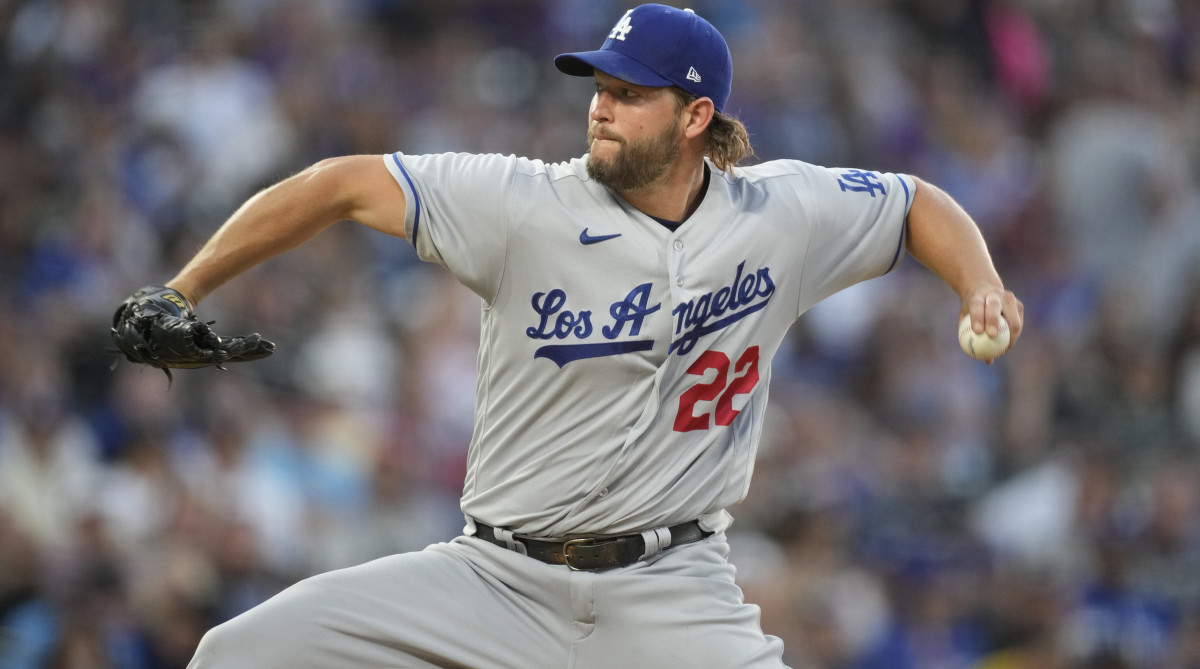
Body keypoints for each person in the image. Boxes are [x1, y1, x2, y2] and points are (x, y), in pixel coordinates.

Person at [119, 4, 1023, 667]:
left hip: (672, 589)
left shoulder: (779, 215)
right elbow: (338, 183)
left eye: (630, 95)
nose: (600, 107)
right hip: (493, 580)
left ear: (695, 117)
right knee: (240, 653)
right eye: (600, 87)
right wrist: (181, 286)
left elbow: (915, 204)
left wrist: (980, 283)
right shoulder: (521, 204)